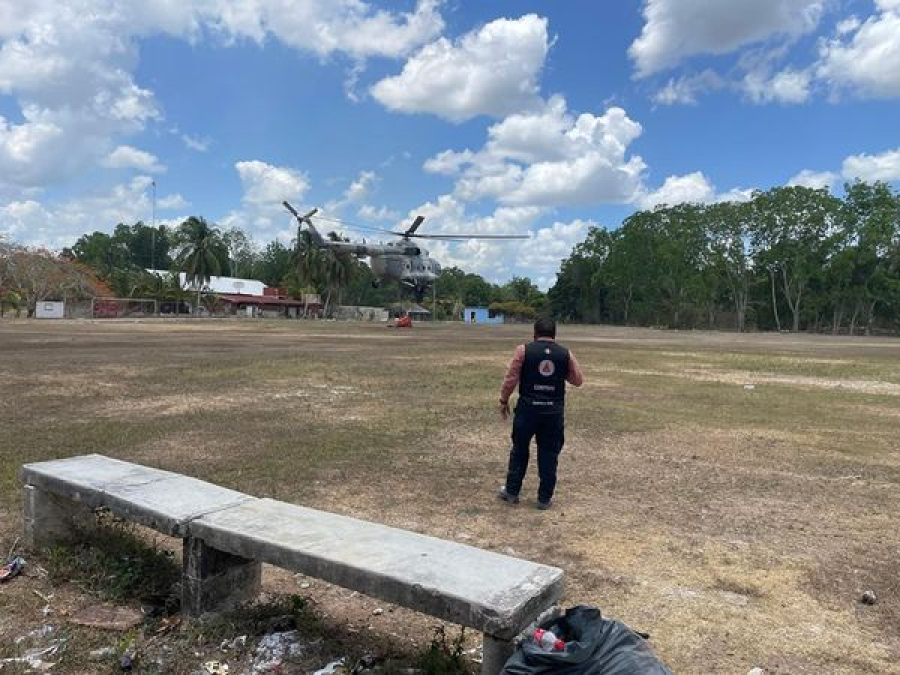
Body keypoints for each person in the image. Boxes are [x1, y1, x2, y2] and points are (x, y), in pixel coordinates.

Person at [497, 317, 584, 510]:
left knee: (519, 450)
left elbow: (511, 378)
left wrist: (504, 400)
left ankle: (511, 491)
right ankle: (544, 498)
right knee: (549, 454)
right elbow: (578, 380)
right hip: (553, 412)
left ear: (534, 334)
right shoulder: (565, 354)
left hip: (528, 410)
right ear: (555, 334)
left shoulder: (523, 351)